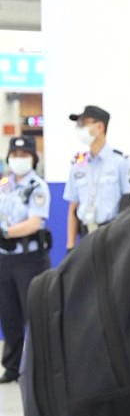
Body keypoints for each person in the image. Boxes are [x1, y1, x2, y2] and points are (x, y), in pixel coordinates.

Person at [0, 136, 50, 384]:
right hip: (5, 259)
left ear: (33, 158)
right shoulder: (4, 184)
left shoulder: (37, 186)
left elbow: (34, 222)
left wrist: (5, 233)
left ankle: (39, 367)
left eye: (24, 155)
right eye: (15, 155)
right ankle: (12, 367)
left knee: (34, 313)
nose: (18, 159)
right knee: (8, 314)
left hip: (29, 259)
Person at [63, 104, 130, 250]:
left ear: (100, 127)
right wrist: (70, 246)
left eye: (84, 124)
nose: (80, 129)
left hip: (111, 236)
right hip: (85, 236)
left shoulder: (120, 162)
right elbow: (73, 207)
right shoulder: (78, 164)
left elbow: (129, 204)